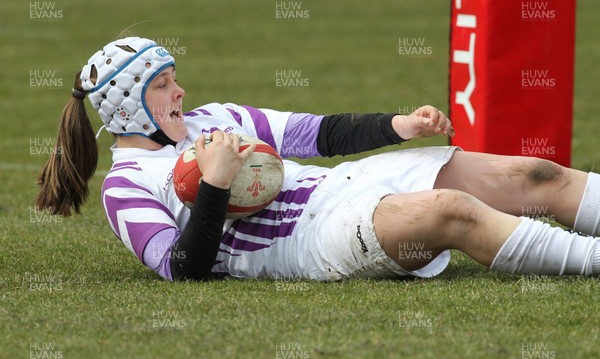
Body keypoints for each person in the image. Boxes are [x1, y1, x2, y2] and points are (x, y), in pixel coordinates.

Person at [37, 37, 600, 282]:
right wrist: (213, 185)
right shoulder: (126, 186)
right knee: (452, 209)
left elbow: (314, 133)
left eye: (175, 78)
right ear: (129, 108)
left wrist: (399, 126)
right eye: (162, 85)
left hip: (338, 183)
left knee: (533, 172)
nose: (180, 92)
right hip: (310, 240)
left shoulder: (213, 116)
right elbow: (180, 269)